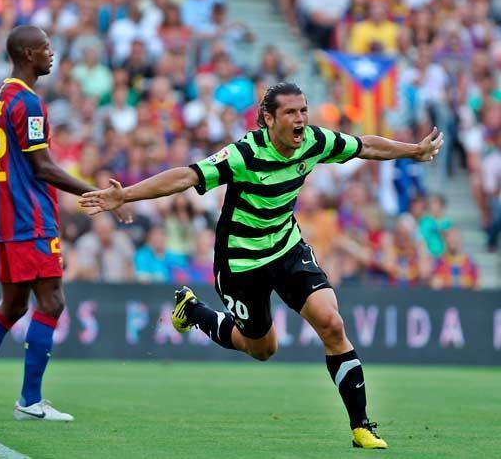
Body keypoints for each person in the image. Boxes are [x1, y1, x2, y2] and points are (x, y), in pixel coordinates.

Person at [79, 82, 444, 448]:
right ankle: (193, 310)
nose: (301, 119)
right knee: (262, 349)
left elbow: (364, 145)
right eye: (291, 112)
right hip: (241, 261)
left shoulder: (316, 142)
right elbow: (187, 176)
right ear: (269, 119)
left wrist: (412, 151)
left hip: (286, 248)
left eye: (303, 110)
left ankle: (361, 425)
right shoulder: (244, 154)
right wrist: (124, 194)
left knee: (332, 324)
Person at [0, 25, 130, 421]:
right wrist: (97, 194)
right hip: (31, 217)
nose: (52, 53)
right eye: (45, 48)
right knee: (52, 300)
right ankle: (30, 401)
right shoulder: (27, 102)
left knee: (12, 306)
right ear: (28, 54)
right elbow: (42, 167)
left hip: (8, 217)